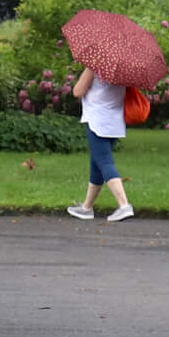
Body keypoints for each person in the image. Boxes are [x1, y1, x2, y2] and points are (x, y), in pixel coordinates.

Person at [66, 65, 135, 222]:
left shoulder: (96, 64)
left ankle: (124, 205)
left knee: (104, 162)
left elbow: (77, 91)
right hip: (115, 122)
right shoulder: (124, 67)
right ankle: (87, 208)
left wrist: (88, 68)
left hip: (98, 121)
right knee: (96, 163)